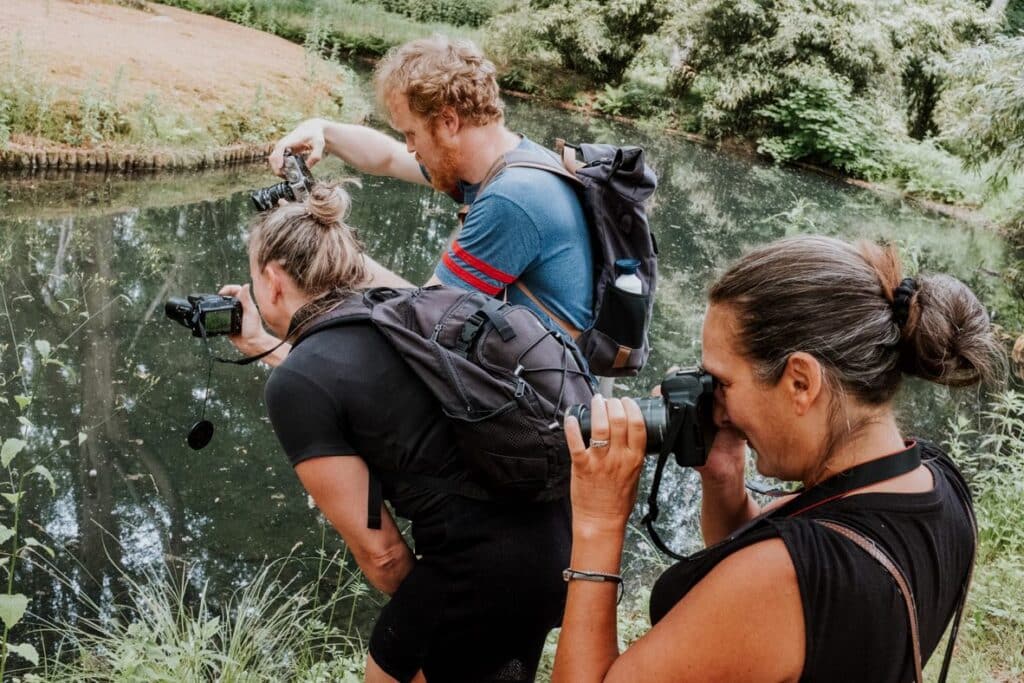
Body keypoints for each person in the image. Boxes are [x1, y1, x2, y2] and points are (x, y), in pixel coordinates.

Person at [551, 235, 1005, 682]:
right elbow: (777, 583)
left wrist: (600, 520)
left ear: (801, 383)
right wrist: (724, 476)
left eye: (723, 383)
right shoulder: (938, 483)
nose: (717, 408)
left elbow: (775, 582)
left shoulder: (782, 578)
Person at [221, 183, 570, 683]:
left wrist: (431, 607)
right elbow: (352, 393)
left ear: (273, 281)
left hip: (478, 570)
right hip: (555, 539)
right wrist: (261, 342)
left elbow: (382, 555)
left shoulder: (299, 383)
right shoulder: (403, 314)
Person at [268, 35, 593, 338]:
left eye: (412, 134)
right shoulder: (504, 158)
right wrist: (322, 129)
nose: (409, 147)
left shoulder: (514, 199)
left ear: (449, 122)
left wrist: (325, 243)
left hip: (549, 395)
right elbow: (389, 158)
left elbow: (424, 316)